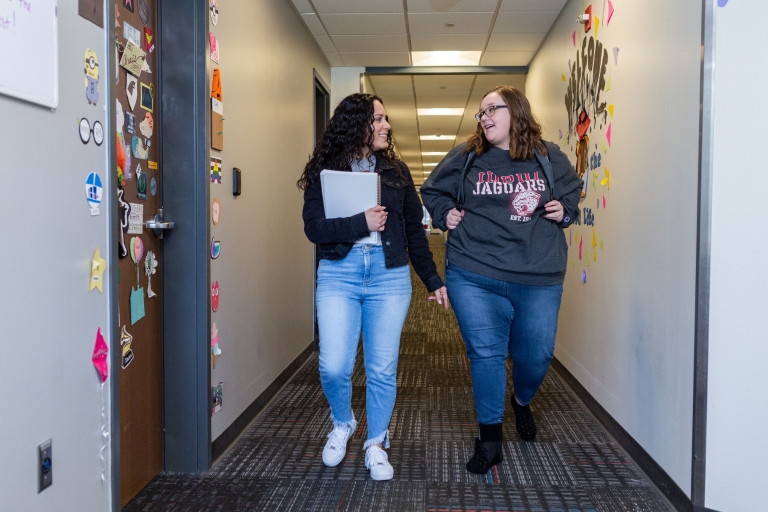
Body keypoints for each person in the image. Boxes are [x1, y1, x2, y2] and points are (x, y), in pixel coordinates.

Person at [420, 86, 583, 474]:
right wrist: (446, 215)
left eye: (493, 108)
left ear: (517, 112)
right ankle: (489, 439)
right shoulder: (467, 155)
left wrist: (566, 211)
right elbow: (432, 190)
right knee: (486, 354)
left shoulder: (547, 155)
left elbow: (574, 190)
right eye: (481, 112)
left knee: (537, 354)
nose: (485, 116)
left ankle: (522, 401)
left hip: (538, 272)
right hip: (474, 269)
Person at [298, 93, 449, 481]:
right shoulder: (324, 173)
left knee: (382, 369)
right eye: (378, 119)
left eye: (386, 118)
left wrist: (433, 280)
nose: (386, 125)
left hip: (389, 276)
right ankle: (343, 422)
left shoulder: (396, 172)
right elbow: (314, 228)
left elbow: (415, 231)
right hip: (339, 274)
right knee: (334, 366)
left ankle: (376, 443)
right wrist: (360, 222)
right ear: (356, 124)